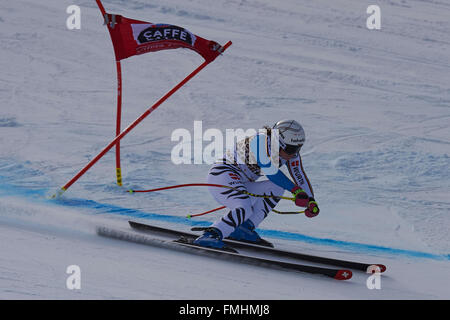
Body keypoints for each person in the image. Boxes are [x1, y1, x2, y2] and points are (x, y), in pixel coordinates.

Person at [194, 119, 319, 249]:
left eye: (298, 149)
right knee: (244, 206)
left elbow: (299, 176)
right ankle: (212, 234)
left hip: (242, 183)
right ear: (278, 141)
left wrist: (310, 200)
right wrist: (295, 191)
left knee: (277, 187)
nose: (293, 154)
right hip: (222, 176)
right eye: (290, 149)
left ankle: (243, 229)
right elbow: (271, 171)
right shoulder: (259, 142)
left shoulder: (291, 154)